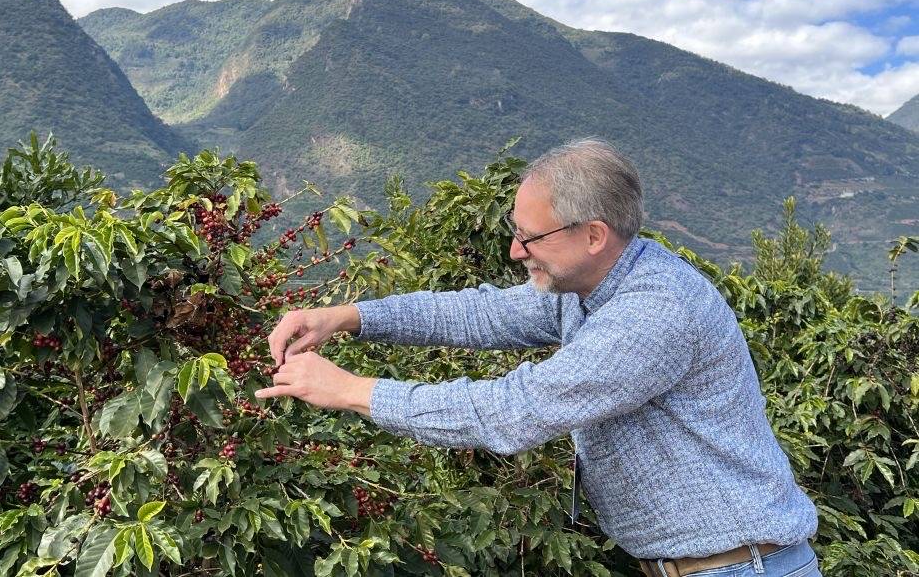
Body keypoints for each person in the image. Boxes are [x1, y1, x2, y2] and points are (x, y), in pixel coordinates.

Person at [255, 138, 822, 577]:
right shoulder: (588, 287)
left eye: (530, 238)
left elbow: (514, 411)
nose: (514, 250)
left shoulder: (654, 312)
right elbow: (478, 315)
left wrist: (350, 390)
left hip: (742, 566)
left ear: (594, 234)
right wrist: (348, 316)